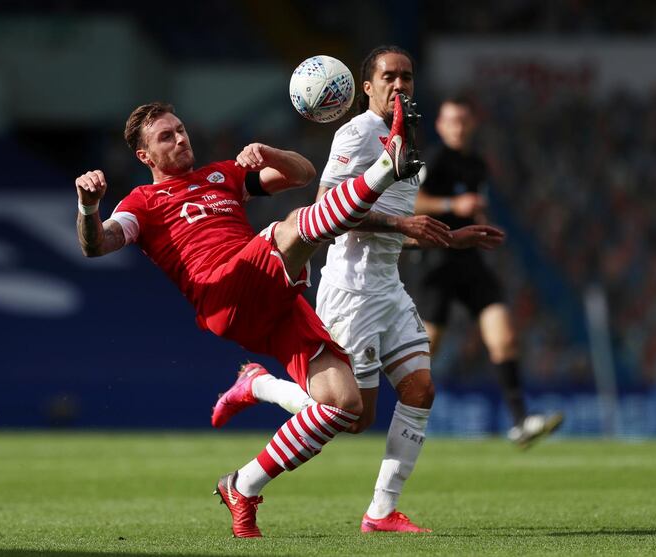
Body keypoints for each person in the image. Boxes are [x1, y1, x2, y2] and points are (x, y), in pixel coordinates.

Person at [74, 96, 440, 538]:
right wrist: (89, 207)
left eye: (181, 128)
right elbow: (97, 245)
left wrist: (267, 154)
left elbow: (302, 174)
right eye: (166, 136)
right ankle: (386, 167)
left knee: (344, 406)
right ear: (144, 156)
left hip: (273, 299)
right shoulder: (144, 201)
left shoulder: (221, 176)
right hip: (226, 291)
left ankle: (243, 484)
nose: (180, 138)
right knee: (296, 226)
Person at [210, 46, 505, 533]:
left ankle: (381, 512)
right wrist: (401, 221)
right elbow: (328, 210)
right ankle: (257, 389)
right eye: (389, 76)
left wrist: (448, 237)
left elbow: (400, 231)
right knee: (350, 418)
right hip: (350, 291)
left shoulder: (409, 145)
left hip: (387, 288)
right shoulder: (358, 132)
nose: (399, 84)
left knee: (421, 388)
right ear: (367, 87)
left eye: (407, 76)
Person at [411, 95, 563, 448]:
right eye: (452, 120)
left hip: (470, 261)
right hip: (436, 261)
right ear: (440, 125)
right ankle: (399, 419)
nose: (458, 126)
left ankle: (520, 420)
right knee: (425, 352)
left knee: (505, 337)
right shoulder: (433, 159)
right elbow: (412, 202)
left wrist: (481, 224)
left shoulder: (477, 164)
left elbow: (474, 207)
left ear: (471, 124)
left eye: (463, 120)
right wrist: (451, 204)